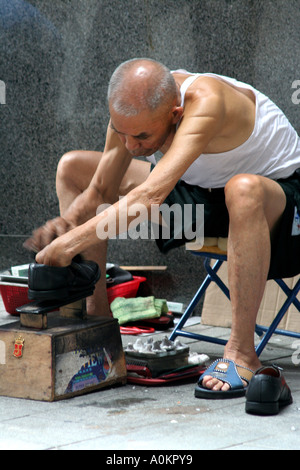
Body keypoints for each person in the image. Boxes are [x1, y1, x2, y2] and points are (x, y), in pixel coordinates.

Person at [24, 58, 300, 398]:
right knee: (72, 168)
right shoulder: (133, 113)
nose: (131, 146)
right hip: (204, 196)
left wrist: (66, 246)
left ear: (175, 113)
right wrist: (64, 227)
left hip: (280, 204)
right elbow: (98, 192)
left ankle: (242, 354)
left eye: (142, 136)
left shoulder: (207, 101)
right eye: (122, 133)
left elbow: (151, 196)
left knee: (242, 189)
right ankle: (97, 326)